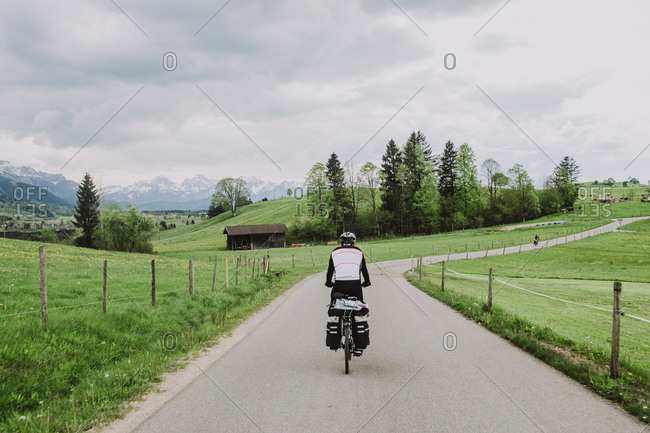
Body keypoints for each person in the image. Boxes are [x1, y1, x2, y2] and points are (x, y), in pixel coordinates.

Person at [325, 232, 371, 355]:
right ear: (353, 243)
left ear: (340, 243)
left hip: (339, 285)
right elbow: (364, 270)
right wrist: (367, 282)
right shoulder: (359, 252)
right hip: (355, 285)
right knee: (357, 310)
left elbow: (330, 271)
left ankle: (336, 338)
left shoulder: (334, 253)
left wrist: (328, 282)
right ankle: (358, 347)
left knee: (334, 306)